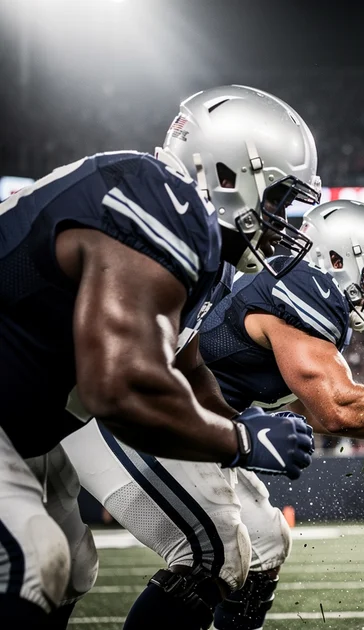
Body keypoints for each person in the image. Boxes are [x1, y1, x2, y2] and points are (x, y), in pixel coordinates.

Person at [0, 84, 317, 628]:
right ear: (227, 174)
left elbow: (187, 365)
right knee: (32, 562)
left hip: (26, 417)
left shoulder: (183, 230)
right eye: (278, 198)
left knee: (72, 567)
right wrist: (241, 441)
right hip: (25, 413)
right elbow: (118, 389)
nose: (282, 220)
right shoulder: (160, 201)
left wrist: (238, 424)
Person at [67, 199, 364, 630]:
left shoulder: (297, 304)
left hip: (194, 423)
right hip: (138, 412)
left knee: (266, 544)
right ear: (338, 258)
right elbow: (339, 408)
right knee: (211, 554)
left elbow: (319, 414)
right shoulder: (298, 289)